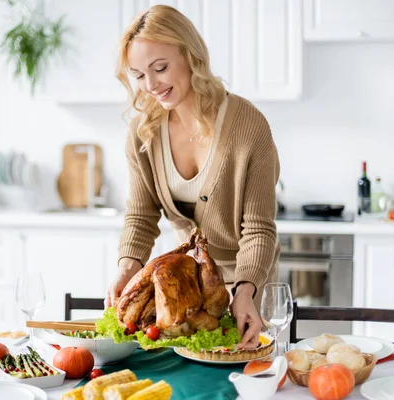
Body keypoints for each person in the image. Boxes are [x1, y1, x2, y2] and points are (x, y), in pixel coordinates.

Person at [104, 4, 281, 350]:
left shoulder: (248, 127)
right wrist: (128, 267)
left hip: (249, 287)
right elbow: (141, 216)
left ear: (191, 55)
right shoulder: (143, 133)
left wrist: (245, 290)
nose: (150, 85)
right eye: (139, 75)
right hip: (186, 293)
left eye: (160, 68)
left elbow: (259, 228)